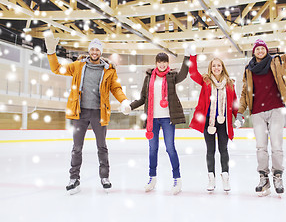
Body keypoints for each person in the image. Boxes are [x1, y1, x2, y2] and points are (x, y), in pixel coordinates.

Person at [45, 34, 130, 194]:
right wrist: (51, 52)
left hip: (99, 113)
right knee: (77, 148)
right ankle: (74, 178)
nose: (94, 51)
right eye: (92, 49)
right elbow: (57, 69)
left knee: (102, 147)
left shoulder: (109, 70)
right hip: (80, 113)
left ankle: (105, 177)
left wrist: (124, 101)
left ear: (101, 52)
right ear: (89, 50)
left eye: (97, 49)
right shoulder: (77, 66)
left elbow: (116, 88)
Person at [238, 16, 286, 196]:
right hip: (257, 113)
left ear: (266, 50)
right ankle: (264, 178)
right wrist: (240, 112)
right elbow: (245, 93)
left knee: (276, 146)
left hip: (276, 109)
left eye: (262, 48)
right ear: (254, 52)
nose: (260, 51)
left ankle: (278, 176)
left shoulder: (277, 61)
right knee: (261, 147)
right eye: (257, 49)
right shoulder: (248, 70)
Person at [129, 52, 189, 195]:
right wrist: (130, 106)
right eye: (159, 62)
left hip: (168, 118)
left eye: (164, 62)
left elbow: (184, 74)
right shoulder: (149, 78)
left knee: (170, 148)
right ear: (156, 63)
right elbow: (143, 98)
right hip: (152, 119)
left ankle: (177, 179)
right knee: (152, 149)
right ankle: (152, 178)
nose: (162, 64)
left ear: (168, 63)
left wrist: (187, 56)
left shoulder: (172, 76)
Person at [188, 47, 239, 192]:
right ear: (211, 68)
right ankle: (211, 179)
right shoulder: (206, 81)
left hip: (223, 123)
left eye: (219, 65)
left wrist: (238, 115)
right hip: (208, 122)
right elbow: (192, 73)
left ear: (222, 68)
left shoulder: (229, 83)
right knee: (210, 150)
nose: (216, 68)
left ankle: (225, 178)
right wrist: (192, 56)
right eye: (214, 65)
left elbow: (234, 102)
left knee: (223, 150)